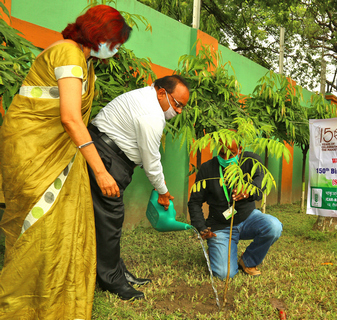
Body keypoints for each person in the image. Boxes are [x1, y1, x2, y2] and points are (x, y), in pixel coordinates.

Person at [0, 5, 131, 319]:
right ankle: (21, 305)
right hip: (33, 150)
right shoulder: (69, 56)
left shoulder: (84, 61)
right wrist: (100, 171)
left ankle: (52, 302)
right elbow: (71, 119)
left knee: (59, 231)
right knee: (37, 229)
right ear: (98, 34)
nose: (114, 50)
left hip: (56, 151)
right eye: (113, 42)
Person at [87, 75, 190, 300]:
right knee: (110, 220)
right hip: (107, 160)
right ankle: (111, 280)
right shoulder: (152, 114)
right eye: (178, 104)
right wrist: (163, 192)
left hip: (105, 153)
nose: (179, 111)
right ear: (162, 93)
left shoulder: (144, 98)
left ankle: (117, 271)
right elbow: (151, 160)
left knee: (106, 221)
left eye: (183, 107)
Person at [188, 138, 283, 279]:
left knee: (273, 226)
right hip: (220, 225)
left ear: (239, 149)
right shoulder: (207, 169)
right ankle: (216, 249)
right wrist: (201, 227)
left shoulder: (250, 161)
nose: (226, 158)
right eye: (222, 153)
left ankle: (248, 261)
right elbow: (194, 202)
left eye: (231, 154)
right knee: (224, 274)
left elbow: (261, 181)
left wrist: (249, 191)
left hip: (248, 218)